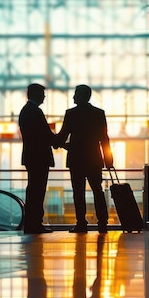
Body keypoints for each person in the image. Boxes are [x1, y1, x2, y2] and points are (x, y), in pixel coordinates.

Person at [55, 84, 114, 233]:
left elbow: (63, 135)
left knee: (78, 192)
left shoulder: (71, 114)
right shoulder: (98, 113)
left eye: (75, 94)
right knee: (97, 191)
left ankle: (81, 223)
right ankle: (102, 223)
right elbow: (104, 139)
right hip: (94, 158)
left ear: (81, 96)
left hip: (76, 158)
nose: (73, 97)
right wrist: (108, 160)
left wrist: (59, 144)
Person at [18, 83, 57, 234]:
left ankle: (32, 222)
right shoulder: (35, 111)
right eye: (42, 94)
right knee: (38, 191)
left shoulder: (27, 111)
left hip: (32, 156)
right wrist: (60, 142)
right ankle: (35, 223)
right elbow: (45, 134)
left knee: (34, 189)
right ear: (36, 95)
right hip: (38, 157)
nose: (44, 97)